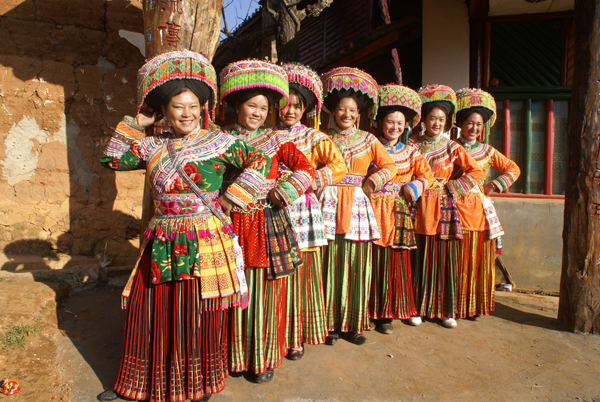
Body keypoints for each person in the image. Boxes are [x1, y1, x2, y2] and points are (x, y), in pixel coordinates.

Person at [97, 50, 271, 402]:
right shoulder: (151, 147)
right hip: (161, 236)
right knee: (150, 308)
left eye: (193, 106)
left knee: (196, 309)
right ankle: (139, 381)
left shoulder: (221, 143)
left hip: (204, 237)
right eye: (178, 106)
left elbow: (261, 162)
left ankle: (197, 382)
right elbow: (110, 159)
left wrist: (232, 197)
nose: (187, 113)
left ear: (203, 108)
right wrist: (137, 123)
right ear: (164, 110)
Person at [219, 59, 316, 383]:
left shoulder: (276, 140)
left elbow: (306, 169)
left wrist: (283, 191)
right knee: (227, 286)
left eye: (264, 108)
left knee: (263, 290)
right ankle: (228, 356)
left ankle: (261, 357)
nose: (258, 113)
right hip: (227, 222)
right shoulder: (217, 138)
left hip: (265, 222)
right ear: (237, 105)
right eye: (252, 106)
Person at [319, 67, 397, 345]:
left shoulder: (369, 139)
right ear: (333, 110)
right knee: (328, 261)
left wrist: (372, 182)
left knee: (355, 264)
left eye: (352, 110)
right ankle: (328, 324)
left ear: (359, 113)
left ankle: (353, 323)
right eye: (342, 109)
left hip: (357, 206)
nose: (347, 114)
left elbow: (389, 166)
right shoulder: (321, 138)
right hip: (327, 201)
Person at [277, 63, 347, 359]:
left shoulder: (315, 138)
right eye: (285, 104)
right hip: (271, 209)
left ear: (306, 109)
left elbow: (338, 167)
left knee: (301, 272)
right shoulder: (266, 136)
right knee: (276, 272)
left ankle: (297, 335)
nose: (291, 111)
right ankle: (275, 332)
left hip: (302, 210)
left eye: (297, 106)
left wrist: (307, 181)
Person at [408, 84, 483, 329]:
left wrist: (453, 187)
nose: (437, 123)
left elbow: (476, 171)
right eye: (433, 118)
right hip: (419, 204)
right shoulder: (413, 144)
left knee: (443, 257)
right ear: (423, 120)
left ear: (447, 122)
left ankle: (445, 309)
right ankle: (417, 308)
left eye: (441, 119)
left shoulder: (452, 147)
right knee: (420, 256)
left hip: (443, 205)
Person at [368, 84, 434, 334]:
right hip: (371, 209)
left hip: (397, 212)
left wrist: (413, 187)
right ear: (380, 122)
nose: (394, 127)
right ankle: (366, 310)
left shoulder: (411, 152)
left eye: (399, 123)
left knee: (394, 262)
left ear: (406, 126)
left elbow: (427, 176)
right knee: (371, 261)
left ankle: (387, 313)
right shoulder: (369, 147)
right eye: (390, 122)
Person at [454, 88, 520, 320]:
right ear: (460, 124)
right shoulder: (449, 147)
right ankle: (452, 304)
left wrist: (494, 185)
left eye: (479, 124)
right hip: (453, 207)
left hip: (478, 210)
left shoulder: (488, 151)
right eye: (470, 123)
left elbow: (513, 168)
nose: (474, 128)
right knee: (456, 257)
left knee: (477, 258)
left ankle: (472, 305)